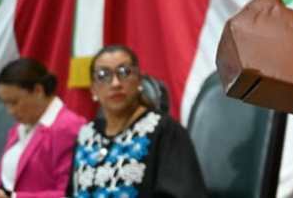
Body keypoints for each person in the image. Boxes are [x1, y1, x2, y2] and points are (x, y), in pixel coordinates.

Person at [66, 45, 207, 198]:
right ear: (93, 89)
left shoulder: (165, 131)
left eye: (124, 72)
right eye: (103, 75)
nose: (115, 83)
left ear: (139, 80)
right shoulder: (87, 135)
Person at [0, 58, 85, 198]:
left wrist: (14, 197)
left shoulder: (69, 127)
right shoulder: (22, 125)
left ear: (38, 90)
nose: (10, 111)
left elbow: (69, 194)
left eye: (14, 102)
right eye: (6, 104)